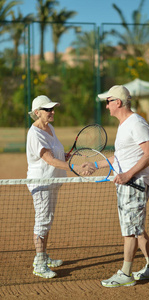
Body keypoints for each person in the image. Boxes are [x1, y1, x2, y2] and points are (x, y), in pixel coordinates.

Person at [84, 85, 149, 287]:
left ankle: (126, 274)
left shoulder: (136, 123)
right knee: (137, 229)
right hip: (127, 183)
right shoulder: (124, 125)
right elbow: (119, 158)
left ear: (118, 103)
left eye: (108, 101)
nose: (106, 106)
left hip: (134, 184)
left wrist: (128, 174)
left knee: (129, 230)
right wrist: (95, 165)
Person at [26, 95, 69, 279]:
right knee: (42, 222)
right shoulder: (34, 133)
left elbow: (55, 154)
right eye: (48, 109)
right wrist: (72, 167)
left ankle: (43, 255)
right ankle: (39, 264)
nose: (52, 112)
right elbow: (49, 160)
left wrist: (65, 156)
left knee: (47, 220)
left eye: (52, 108)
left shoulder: (49, 127)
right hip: (41, 183)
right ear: (37, 113)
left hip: (52, 182)